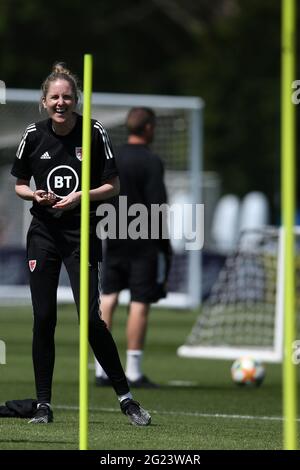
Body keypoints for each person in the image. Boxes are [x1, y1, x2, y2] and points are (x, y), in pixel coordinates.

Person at [10, 62, 151, 426]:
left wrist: (80, 198)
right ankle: (43, 404)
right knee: (43, 318)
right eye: (54, 97)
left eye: (67, 97)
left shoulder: (93, 132)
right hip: (42, 237)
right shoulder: (33, 135)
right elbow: (19, 184)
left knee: (90, 319)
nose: (61, 103)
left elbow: (113, 186)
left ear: (76, 100)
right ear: (44, 102)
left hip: (80, 236)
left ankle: (126, 398)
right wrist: (34, 196)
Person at [95, 107, 172, 388]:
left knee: (108, 298)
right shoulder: (151, 161)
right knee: (139, 301)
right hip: (143, 240)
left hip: (113, 234)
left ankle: (102, 370)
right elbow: (157, 206)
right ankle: (134, 371)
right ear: (149, 128)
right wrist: (164, 245)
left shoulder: (114, 156)